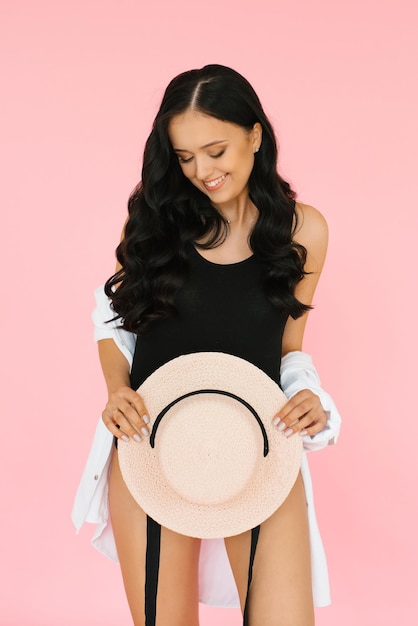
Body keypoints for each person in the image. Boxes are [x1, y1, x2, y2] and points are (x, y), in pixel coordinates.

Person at [72, 64, 341, 626]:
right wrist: (116, 389)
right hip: (151, 446)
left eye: (215, 150)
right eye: (185, 157)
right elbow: (113, 321)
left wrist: (312, 396)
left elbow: (289, 346)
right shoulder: (154, 227)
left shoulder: (303, 232)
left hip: (260, 446)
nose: (202, 172)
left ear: (255, 135)